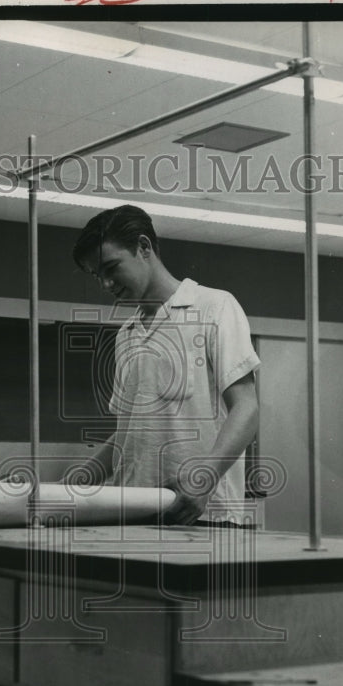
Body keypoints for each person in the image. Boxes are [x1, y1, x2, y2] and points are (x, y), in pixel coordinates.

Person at [68, 204, 260, 526]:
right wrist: (79, 479)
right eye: (97, 275)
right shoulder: (126, 335)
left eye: (111, 268)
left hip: (201, 516)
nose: (106, 284)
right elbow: (129, 432)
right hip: (133, 514)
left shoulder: (214, 308)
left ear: (144, 247)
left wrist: (204, 478)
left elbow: (247, 407)